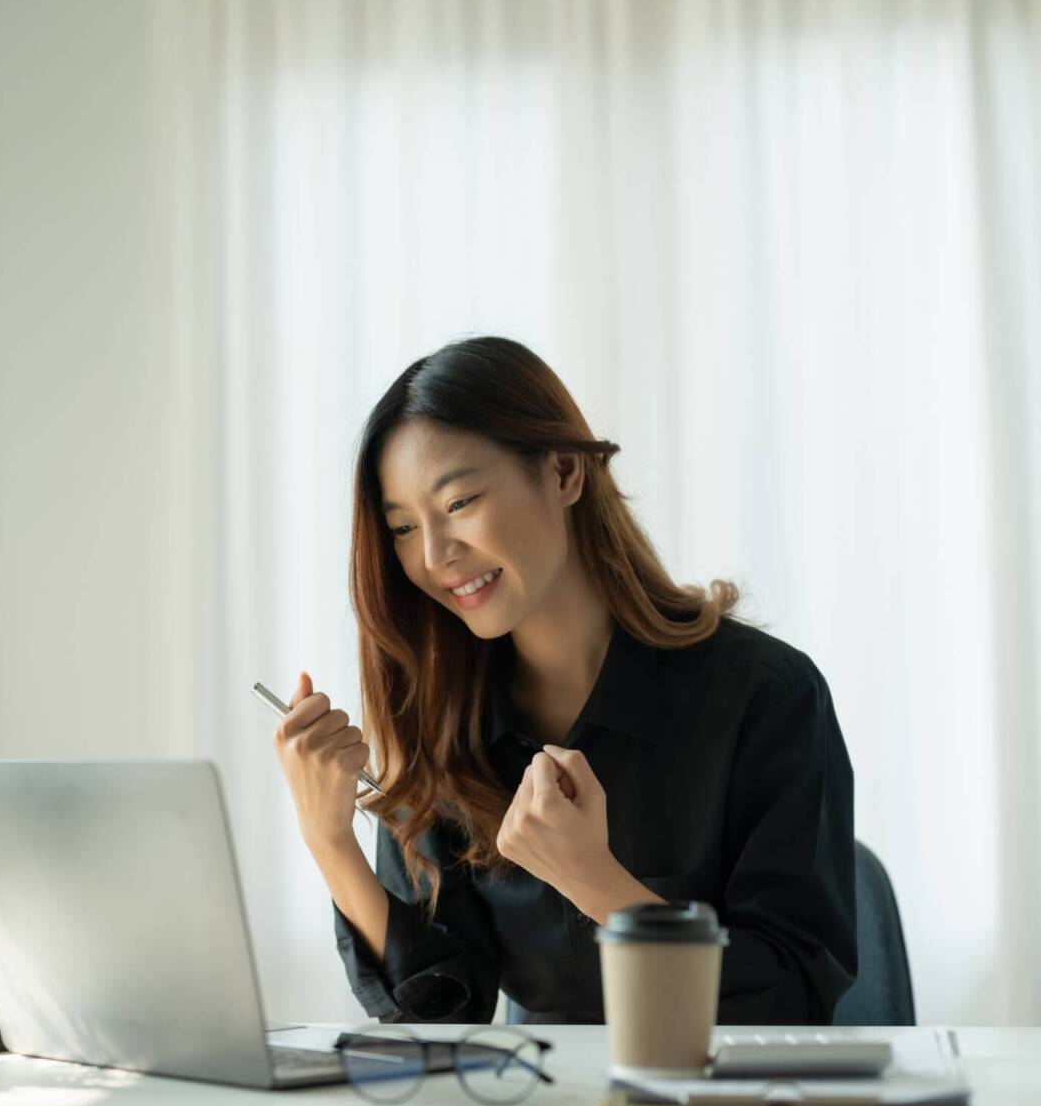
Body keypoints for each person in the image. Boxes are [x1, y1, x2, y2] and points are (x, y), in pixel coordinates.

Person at [271, 336, 857, 1026]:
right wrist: (330, 842)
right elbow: (442, 1016)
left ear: (564, 473)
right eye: (402, 527)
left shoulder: (766, 695)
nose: (434, 555)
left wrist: (597, 884)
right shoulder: (440, 722)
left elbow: (792, 996)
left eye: (459, 503)